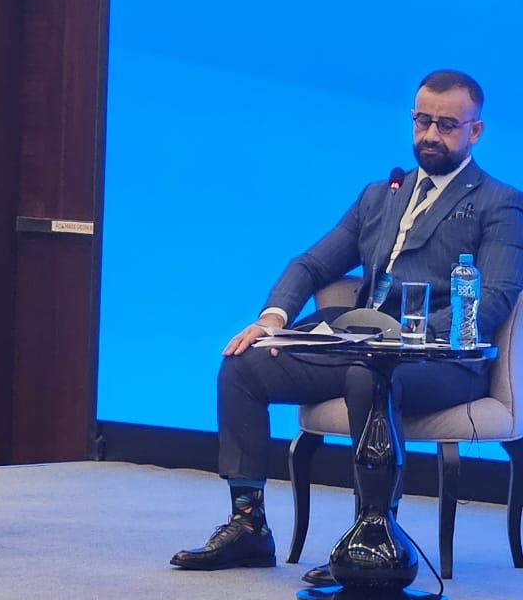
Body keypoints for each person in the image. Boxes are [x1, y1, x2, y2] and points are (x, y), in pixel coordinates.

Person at [172, 70, 523, 572]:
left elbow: (495, 297)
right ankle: (249, 526)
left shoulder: (499, 202)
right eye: (422, 121)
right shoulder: (380, 195)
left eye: (447, 125)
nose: (430, 134)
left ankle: (374, 538)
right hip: (361, 342)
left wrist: (411, 336)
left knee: (369, 377)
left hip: (441, 359)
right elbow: (311, 264)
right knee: (243, 364)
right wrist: (272, 318)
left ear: (476, 131)